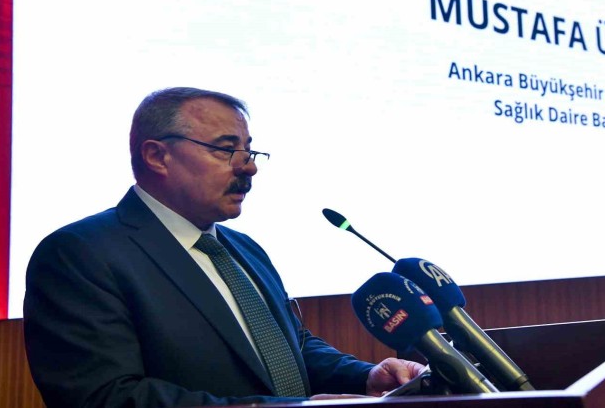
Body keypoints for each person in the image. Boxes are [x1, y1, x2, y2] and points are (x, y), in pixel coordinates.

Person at [23, 87, 425, 408]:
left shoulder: (244, 250)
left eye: (249, 150)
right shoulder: (79, 255)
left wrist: (363, 376)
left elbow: (290, 346)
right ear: (157, 156)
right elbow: (105, 397)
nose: (248, 166)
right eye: (226, 148)